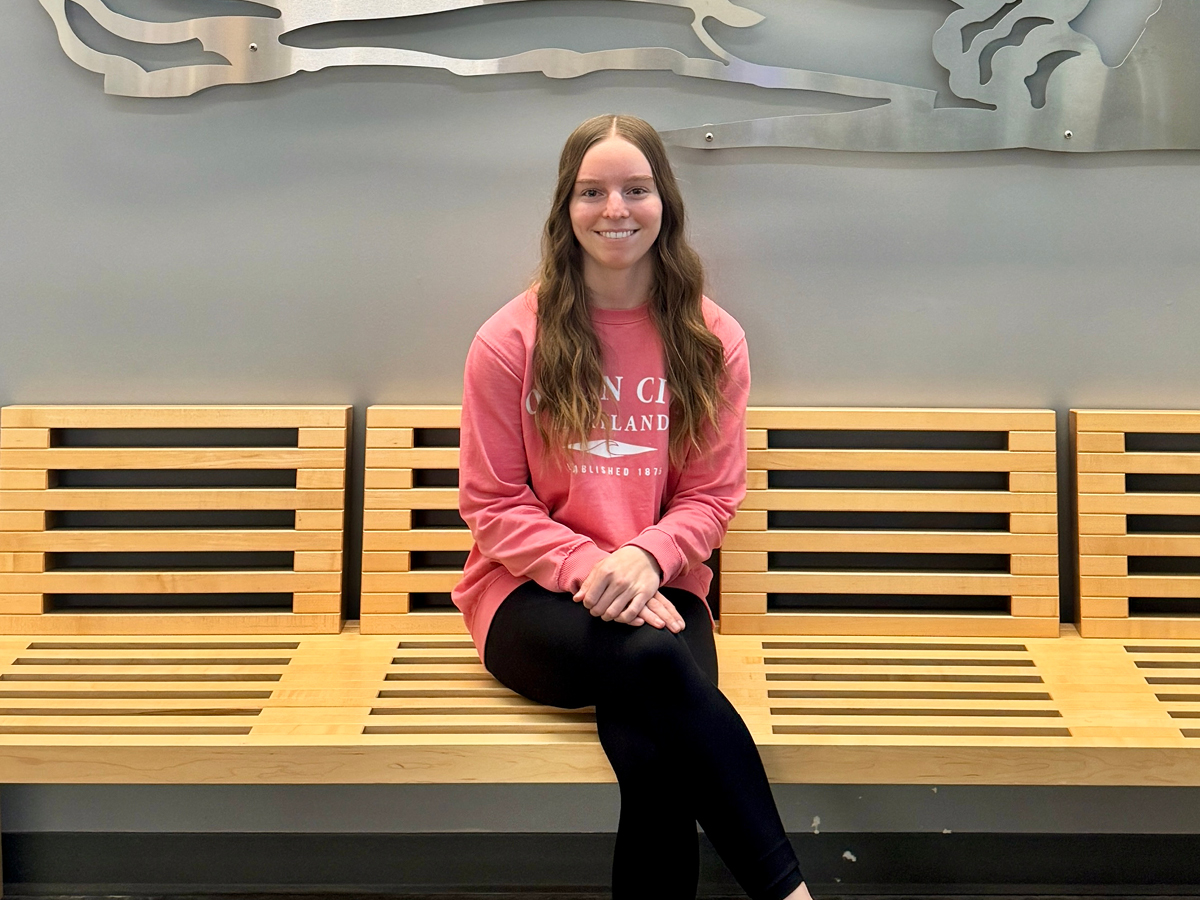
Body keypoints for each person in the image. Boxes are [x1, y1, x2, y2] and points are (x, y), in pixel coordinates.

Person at [452, 113, 813, 900]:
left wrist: (648, 558)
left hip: (667, 591)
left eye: (635, 189)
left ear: (665, 203)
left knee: (656, 759)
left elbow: (712, 497)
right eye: (592, 192)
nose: (615, 208)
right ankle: (791, 893)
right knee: (655, 663)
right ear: (565, 209)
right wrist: (596, 567)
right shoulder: (512, 340)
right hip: (529, 603)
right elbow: (491, 502)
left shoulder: (710, 339)